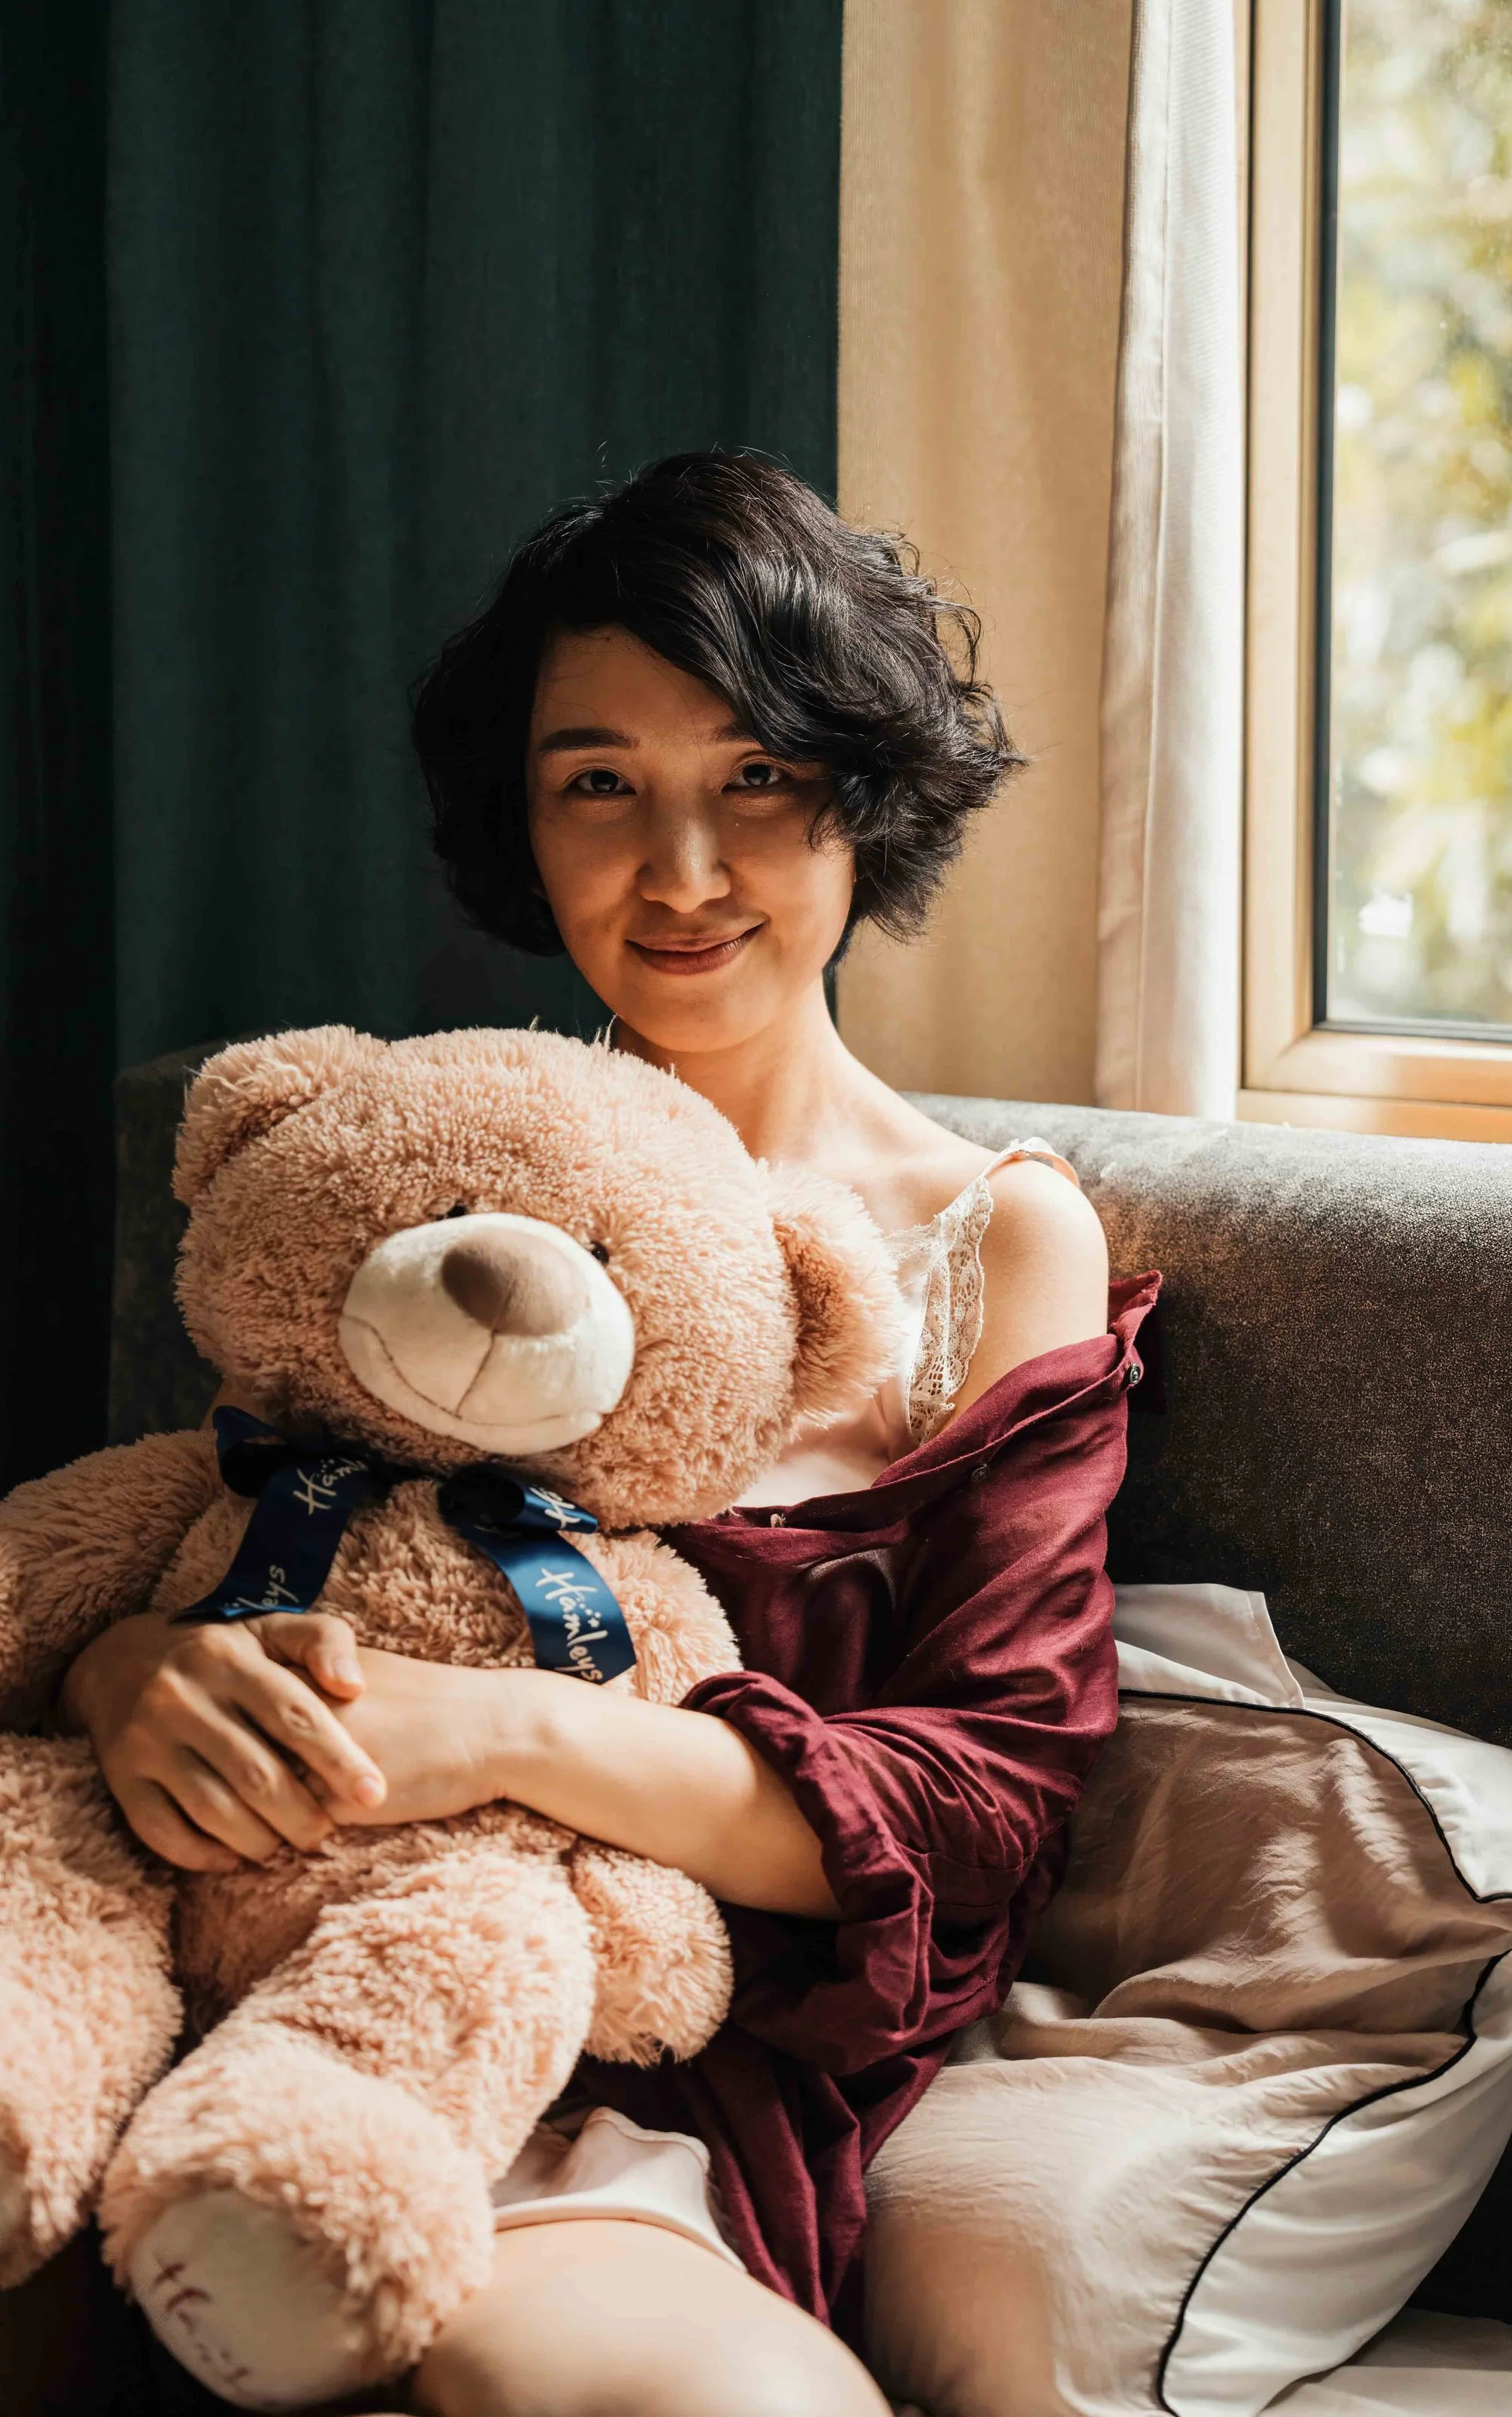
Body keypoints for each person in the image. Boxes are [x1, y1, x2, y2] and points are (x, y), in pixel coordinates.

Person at [58, 453, 1153, 2417]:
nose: (681, 871)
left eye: (753, 776)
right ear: (523, 821)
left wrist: (492, 1727)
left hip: (624, 2044)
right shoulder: (408, 1167)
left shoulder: (986, 1240)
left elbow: (990, 1800)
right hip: (170, 1938)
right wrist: (136, 1667)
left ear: (859, 792)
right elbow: (189, 1535)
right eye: (597, 784)